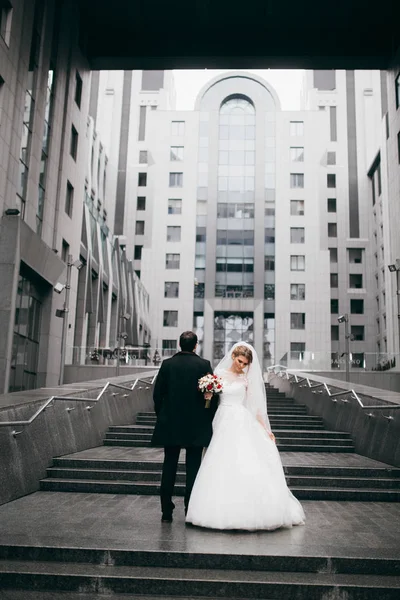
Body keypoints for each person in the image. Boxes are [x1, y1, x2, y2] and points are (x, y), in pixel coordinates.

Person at [186, 342, 305, 531]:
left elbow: (256, 408)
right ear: (233, 356)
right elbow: (210, 401)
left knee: (243, 459)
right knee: (219, 461)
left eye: (245, 364)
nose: (242, 366)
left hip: (240, 419)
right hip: (222, 419)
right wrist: (208, 397)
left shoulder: (246, 380)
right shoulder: (218, 375)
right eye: (240, 361)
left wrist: (266, 429)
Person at [151, 331, 216, 522]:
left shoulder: (167, 364)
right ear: (195, 346)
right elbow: (210, 395)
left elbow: (157, 395)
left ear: (180, 345)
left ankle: (166, 510)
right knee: (193, 467)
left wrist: (162, 415)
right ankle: (190, 507)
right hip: (196, 425)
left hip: (170, 423)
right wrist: (206, 417)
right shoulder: (203, 365)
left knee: (169, 465)